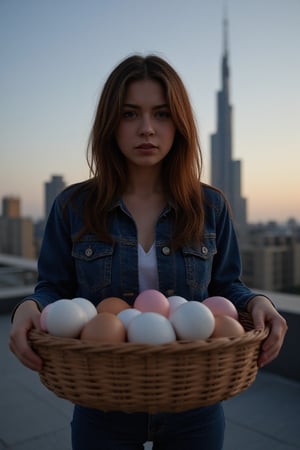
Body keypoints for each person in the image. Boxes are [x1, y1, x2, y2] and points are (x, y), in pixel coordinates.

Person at [9, 54, 287, 450]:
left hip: (194, 401)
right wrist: (29, 307)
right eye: (129, 114)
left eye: (161, 114)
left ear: (179, 123)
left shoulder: (210, 206)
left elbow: (226, 287)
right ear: (110, 123)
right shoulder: (73, 206)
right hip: (102, 399)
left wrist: (258, 301)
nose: (146, 129)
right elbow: (54, 287)